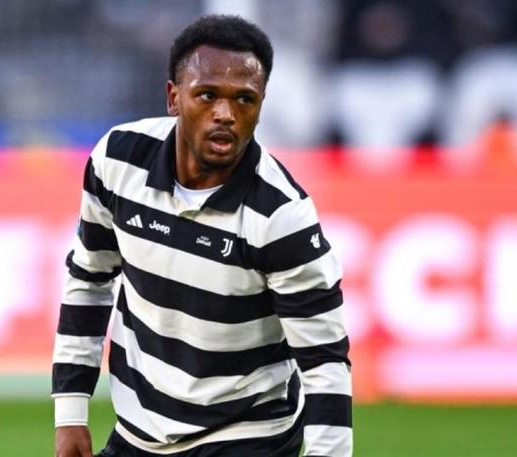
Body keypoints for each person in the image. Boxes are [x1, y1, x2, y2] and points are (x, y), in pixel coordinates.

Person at [52, 14, 352, 457]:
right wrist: (70, 413)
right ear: (173, 97)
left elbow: (324, 359)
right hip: (139, 432)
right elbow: (89, 281)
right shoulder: (117, 161)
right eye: (208, 95)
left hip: (247, 435)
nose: (226, 114)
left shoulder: (281, 216)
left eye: (244, 99)